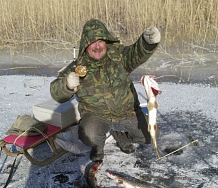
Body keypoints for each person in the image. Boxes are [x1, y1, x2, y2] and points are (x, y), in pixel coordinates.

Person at [50, 19, 160, 161]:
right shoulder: (77, 68)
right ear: (85, 44)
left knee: (151, 135)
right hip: (96, 115)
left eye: (101, 41)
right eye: (92, 42)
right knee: (88, 135)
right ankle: (97, 147)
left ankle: (122, 138)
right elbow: (55, 93)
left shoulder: (119, 56)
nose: (97, 46)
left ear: (106, 41)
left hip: (128, 112)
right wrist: (67, 84)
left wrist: (147, 42)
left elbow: (136, 53)